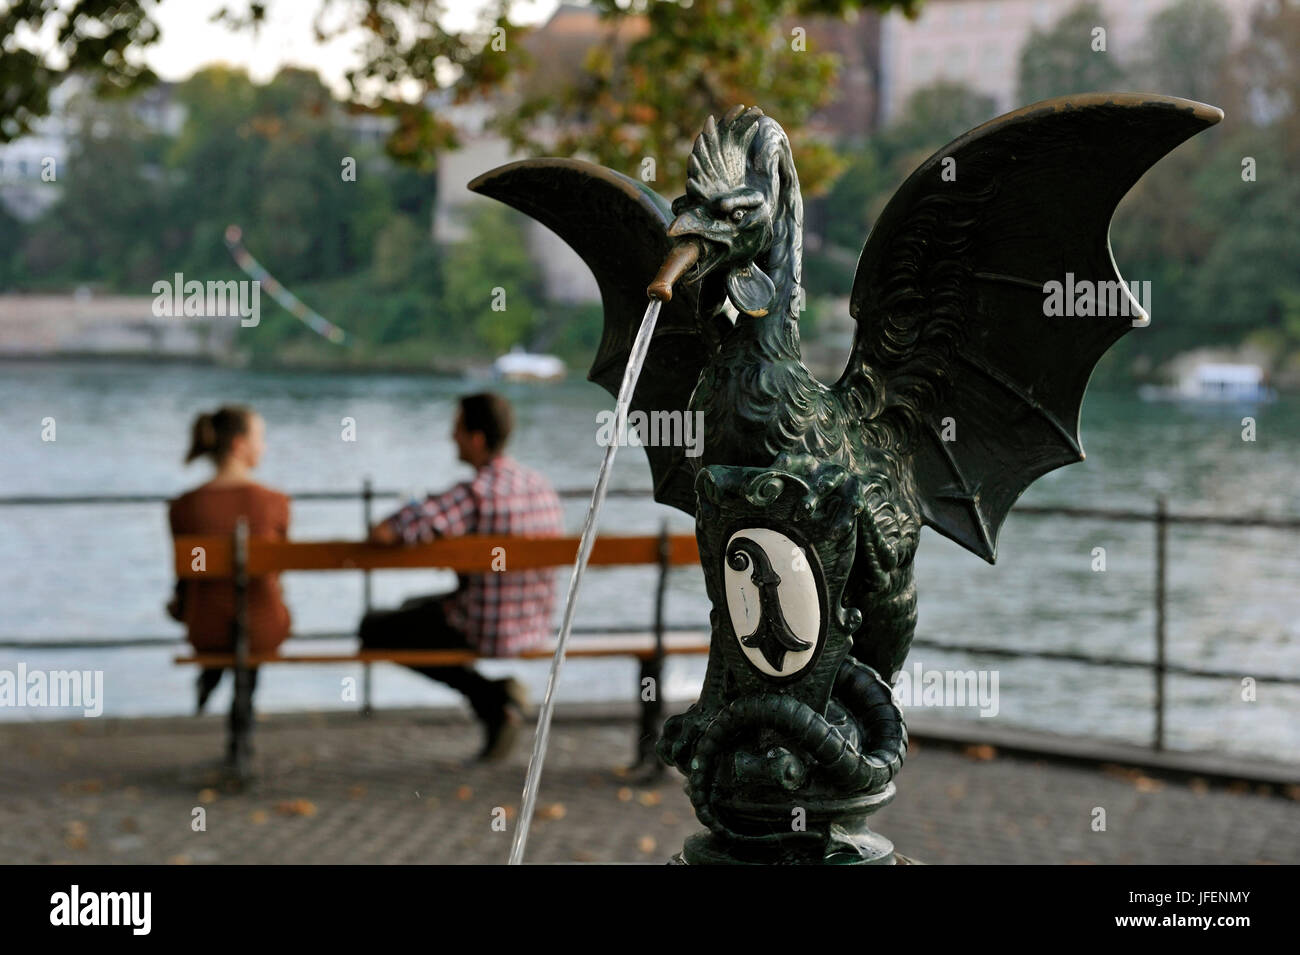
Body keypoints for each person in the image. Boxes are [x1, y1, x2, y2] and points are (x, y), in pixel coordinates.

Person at [362, 392, 564, 762]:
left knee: (372, 629)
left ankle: (491, 698)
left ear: (476, 439)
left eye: (455, 429)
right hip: (535, 624)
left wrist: (412, 505)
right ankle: (494, 699)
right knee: (412, 607)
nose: (449, 437)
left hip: (485, 627)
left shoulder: (473, 494)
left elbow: (384, 534)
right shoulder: (542, 487)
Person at [168, 405, 291, 714]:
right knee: (252, 614)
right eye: (260, 438)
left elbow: (191, 571)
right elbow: (276, 571)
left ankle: (211, 678)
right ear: (239, 445)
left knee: (225, 612)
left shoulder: (185, 506)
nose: (264, 447)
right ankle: (243, 709)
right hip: (264, 626)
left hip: (205, 627)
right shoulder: (275, 503)